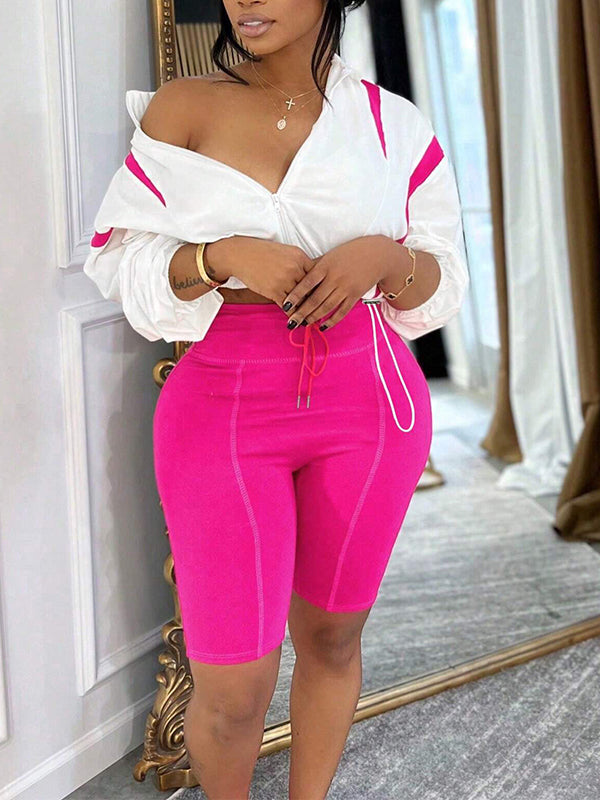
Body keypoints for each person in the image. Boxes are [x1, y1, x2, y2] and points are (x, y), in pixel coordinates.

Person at [83, 1, 469, 797]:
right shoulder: (183, 108)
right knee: (232, 691)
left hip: (370, 407)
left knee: (332, 640)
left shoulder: (391, 125)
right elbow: (121, 267)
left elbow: (440, 279)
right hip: (221, 410)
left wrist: (382, 257)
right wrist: (220, 257)